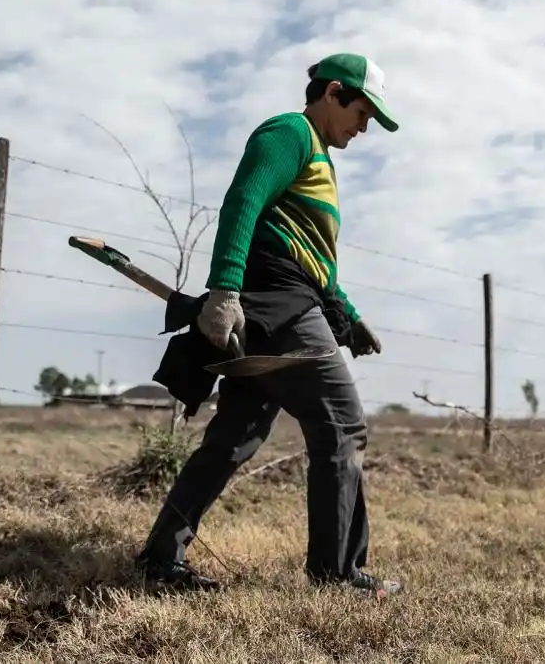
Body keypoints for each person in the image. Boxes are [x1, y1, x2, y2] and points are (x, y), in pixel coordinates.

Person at [133, 53, 402, 597]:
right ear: (333, 93)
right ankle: (337, 575)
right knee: (343, 427)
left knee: (235, 435)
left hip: (283, 303)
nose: (365, 127)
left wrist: (349, 317)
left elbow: (312, 261)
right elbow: (243, 202)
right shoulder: (291, 133)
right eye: (363, 112)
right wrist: (225, 291)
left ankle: (161, 555)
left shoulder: (320, 159)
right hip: (276, 307)